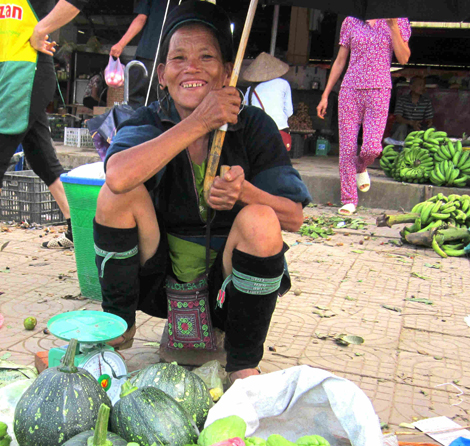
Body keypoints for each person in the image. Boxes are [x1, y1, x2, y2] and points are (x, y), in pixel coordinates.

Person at [95, 2, 311, 382]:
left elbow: (294, 217)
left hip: (226, 288)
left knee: (261, 220)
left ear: (227, 71)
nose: (191, 67)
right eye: (178, 58)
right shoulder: (147, 119)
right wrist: (199, 121)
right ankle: (116, 331)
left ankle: (243, 364)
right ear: (162, 75)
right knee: (115, 196)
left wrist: (244, 192)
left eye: (206, 57)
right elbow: (117, 176)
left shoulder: (254, 126)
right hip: (159, 281)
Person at [0, 0, 90, 250]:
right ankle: (81, 232)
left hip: (24, 76)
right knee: (42, 160)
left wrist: (41, 30)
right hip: (14, 75)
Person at [317, 17, 411, 215]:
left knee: (372, 148)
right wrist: (325, 94)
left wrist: (393, 26)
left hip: (379, 90)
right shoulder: (351, 21)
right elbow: (340, 60)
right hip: (350, 90)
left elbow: (403, 58)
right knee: (347, 147)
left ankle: (361, 166)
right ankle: (349, 199)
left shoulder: (398, 20)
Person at [110, 0, 169, 109]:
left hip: (148, 55)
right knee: (165, 104)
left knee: (136, 104)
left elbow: (141, 18)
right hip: (165, 55)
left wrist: (120, 44)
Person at [242, 53, 293, 150]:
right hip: (280, 128)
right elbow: (289, 112)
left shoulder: (250, 89)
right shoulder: (283, 84)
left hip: (258, 130)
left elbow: (246, 112)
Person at [389, 76, 433, 141]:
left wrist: (429, 122)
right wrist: (412, 123)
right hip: (405, 126)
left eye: (423, 85)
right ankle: (398, 148)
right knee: (402, 127)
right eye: (420, 85)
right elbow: (398, 118)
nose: (423, 88)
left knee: (432, 129)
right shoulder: (402, 99)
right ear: (411, 86)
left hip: (419, 127)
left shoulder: (426, 101)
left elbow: (428, 117)